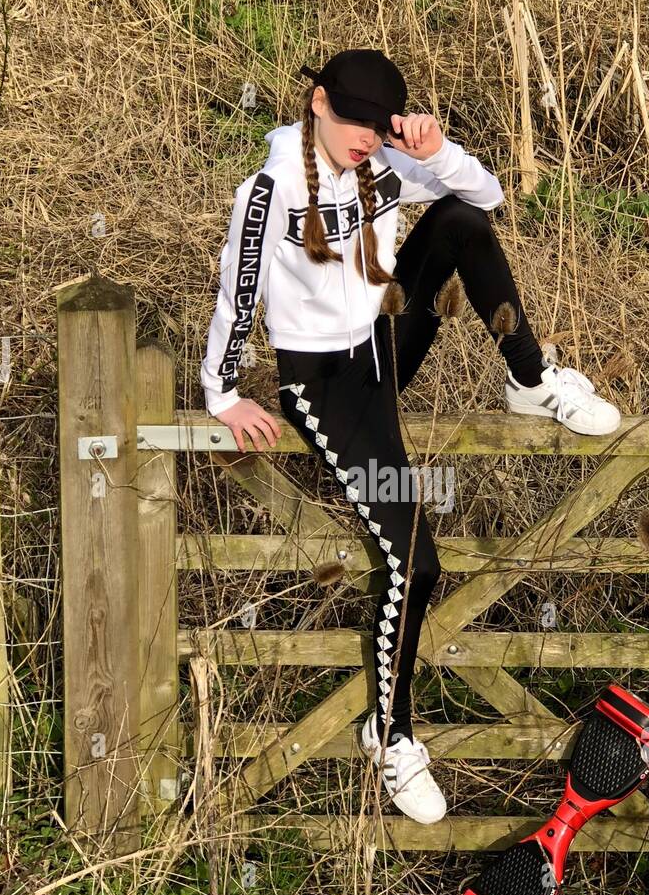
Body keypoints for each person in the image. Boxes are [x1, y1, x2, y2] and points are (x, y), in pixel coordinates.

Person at [201, 49, 621, 826]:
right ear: (319, 102)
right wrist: (222, 394)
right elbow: (240, 285)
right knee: (415, 562)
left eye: (376, 124)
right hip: (325, 383)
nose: (364, 136)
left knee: (460, 220)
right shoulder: (270, 188)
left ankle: (531, 380)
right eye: (353, 119)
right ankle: (390, 733)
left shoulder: (387, 162)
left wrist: (437, 154)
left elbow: (487, 197)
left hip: (386, 344)